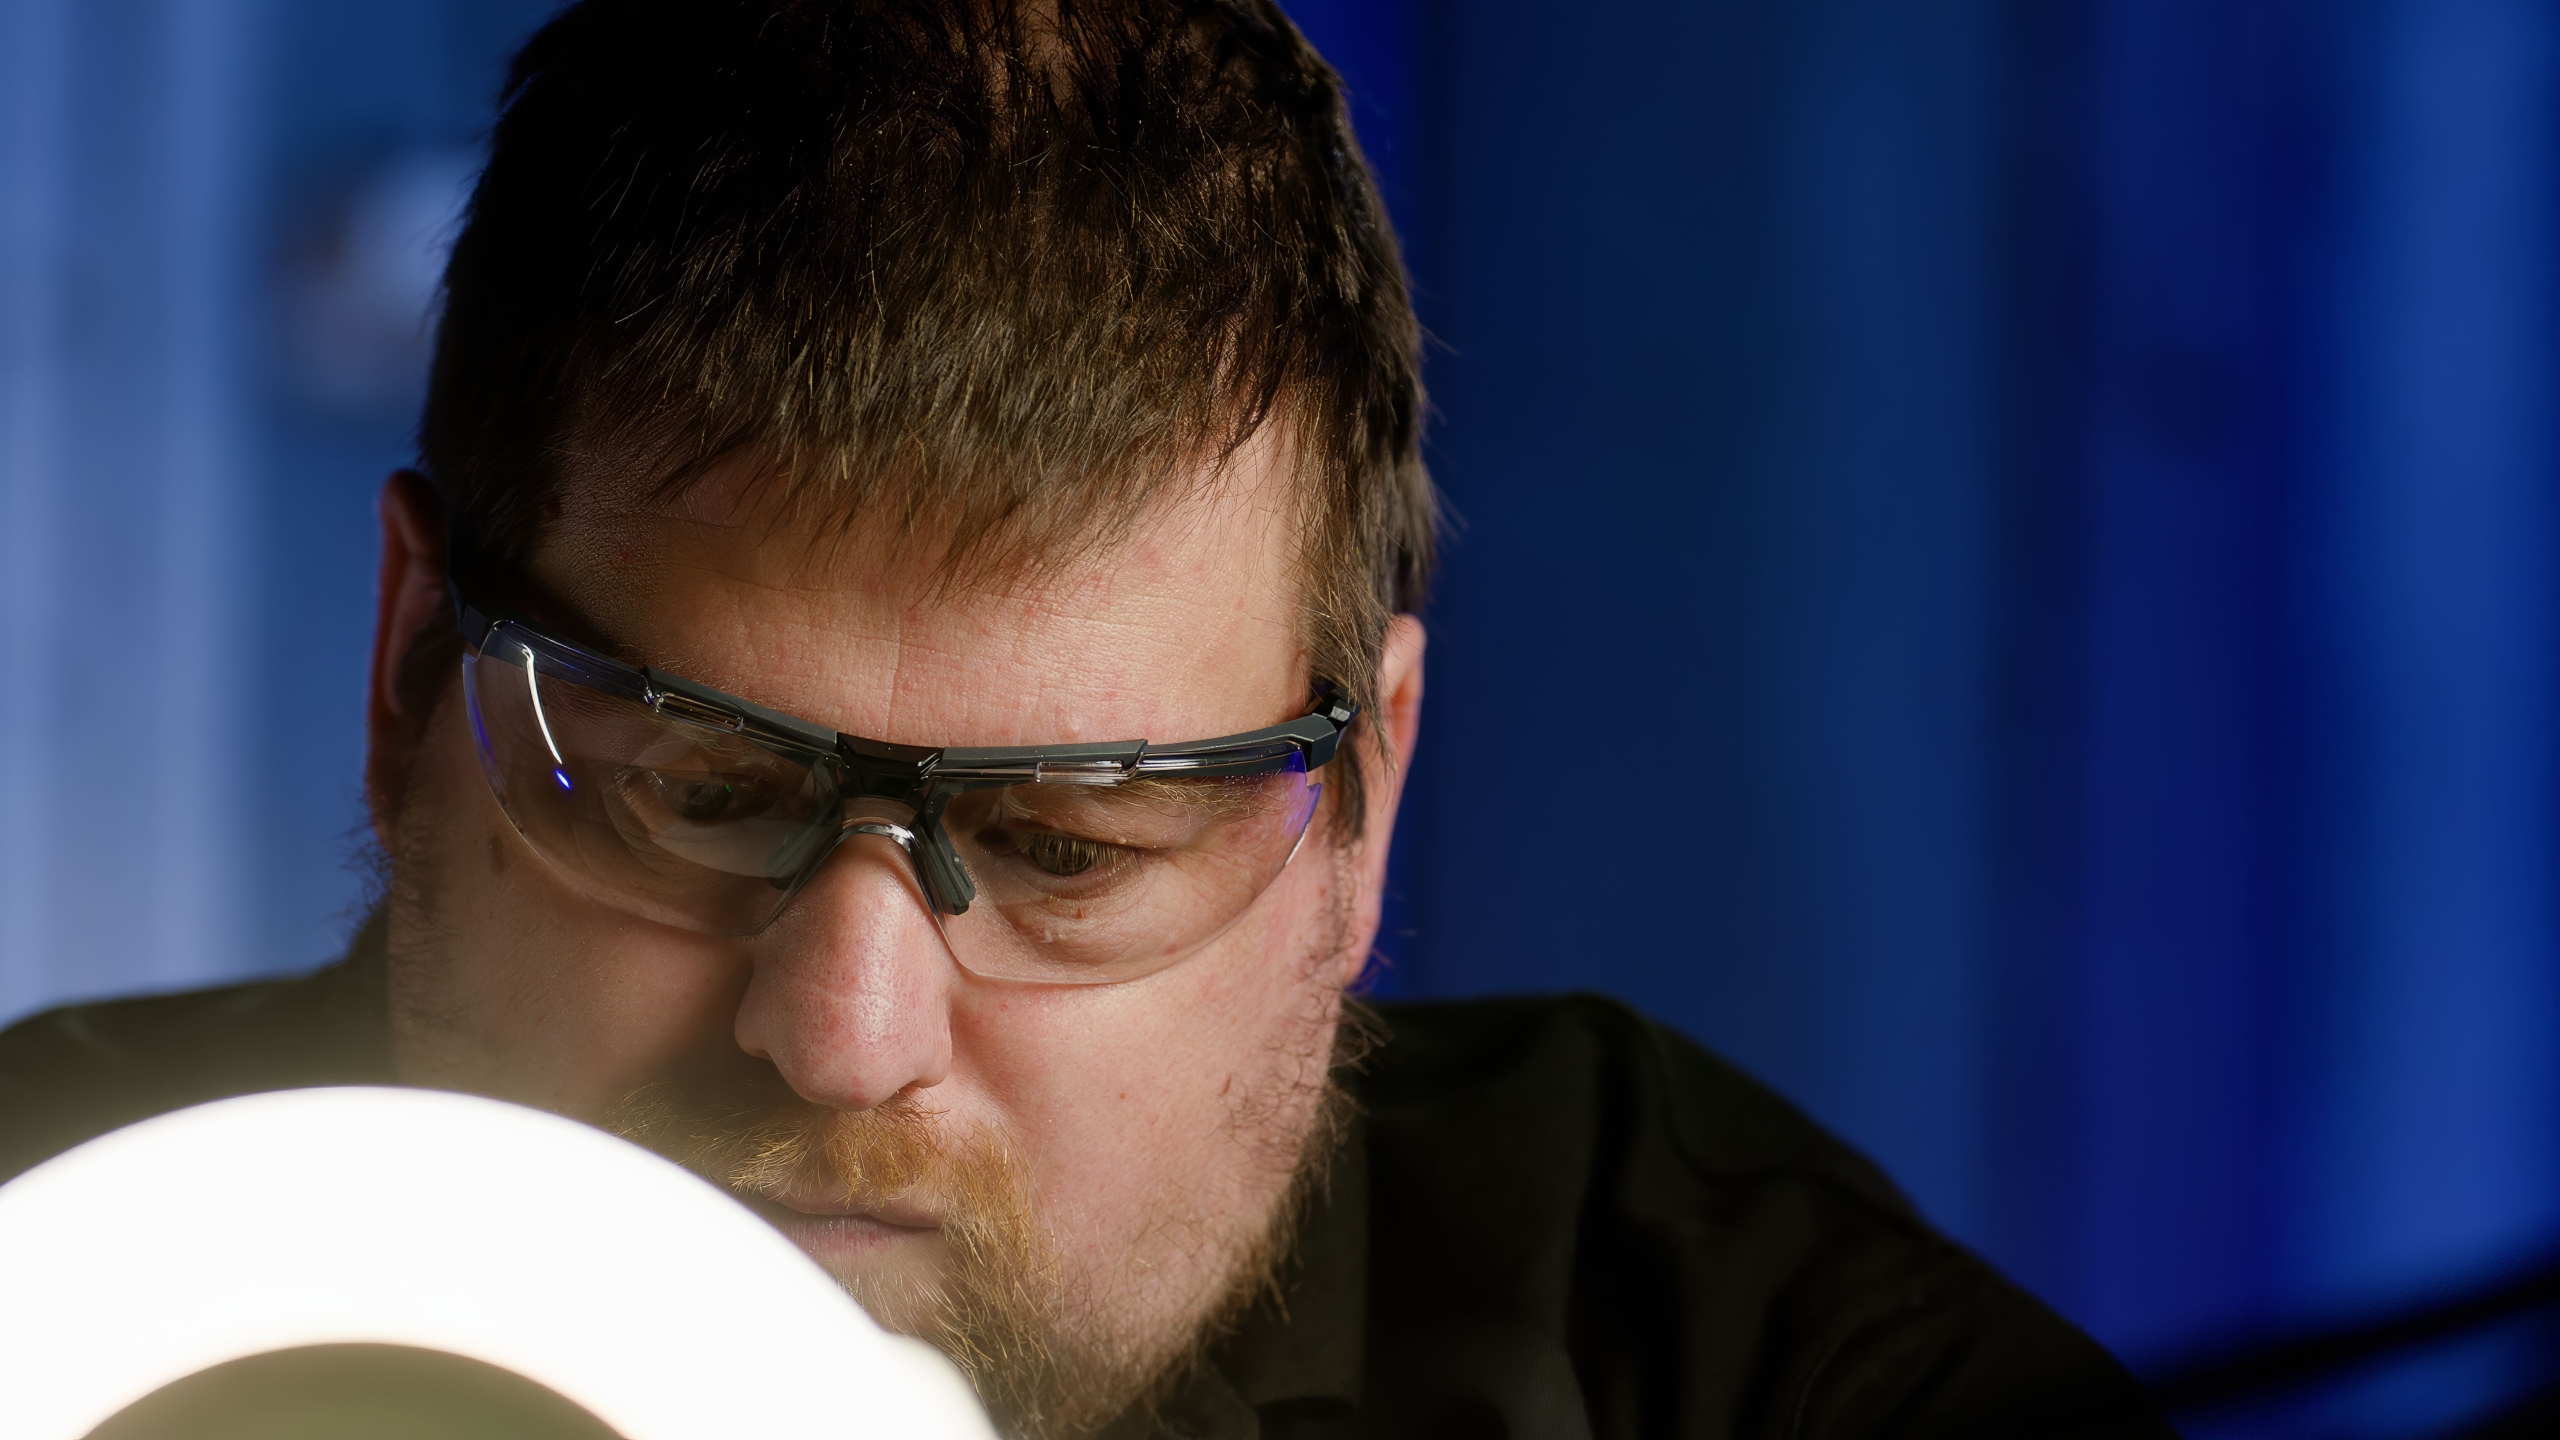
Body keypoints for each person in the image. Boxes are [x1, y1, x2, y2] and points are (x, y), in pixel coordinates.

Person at [0, 3, 2172, 1436]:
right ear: (407, 675)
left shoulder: (1736, 1386)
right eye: (689, 789)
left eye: (1064, 848)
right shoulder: (60, 1286)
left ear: (1360, 804)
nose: (839, 1029)